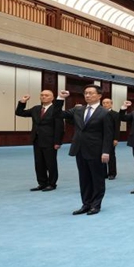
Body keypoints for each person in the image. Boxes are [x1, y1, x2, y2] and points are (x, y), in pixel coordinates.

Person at [57, 86, 113, 215]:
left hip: (96, 150)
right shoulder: (78, 110)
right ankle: (86, 204)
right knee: (84, 178)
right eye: (86, 93)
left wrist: (106, 151)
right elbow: (57, 114)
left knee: (97, 179)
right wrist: (60, 98)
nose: (88, 95)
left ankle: (96, 205)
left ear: (99, 96)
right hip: (80, 149)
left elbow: (108, 135)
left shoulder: (105, 113)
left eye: (91, 93)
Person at [15, 90, 64, 192]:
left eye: (46, 95)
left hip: (50, 141)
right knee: (39, 163)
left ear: (52, 97)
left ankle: (52, 184)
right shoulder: (36, 109)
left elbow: (59, 127)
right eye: (42, 95)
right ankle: (42, 183)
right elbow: (19, 113)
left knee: (51, 163)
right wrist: (22, 102)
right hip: (37, 139)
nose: (43, 97)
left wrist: (58, 142)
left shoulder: (56, 109)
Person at [101, 98, 120, 180]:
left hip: (111, 138)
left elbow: (117, 127)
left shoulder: (115, 114)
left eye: (107, 103)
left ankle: (112, 173)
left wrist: (116, 138)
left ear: (111, 104)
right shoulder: (99, 113)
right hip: (100, 138)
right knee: (100, 155)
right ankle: (103, 173)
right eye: (104, 103)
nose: (105, 104)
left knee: (111, 156)